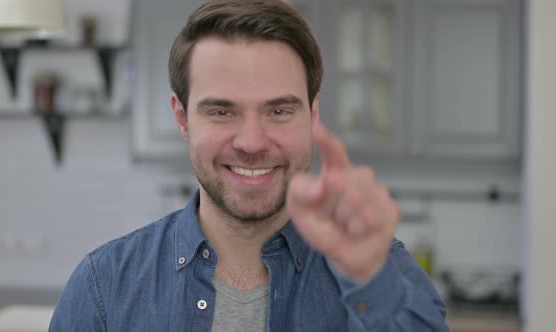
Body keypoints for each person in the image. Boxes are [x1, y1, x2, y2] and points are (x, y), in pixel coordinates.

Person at [49, 0, 449, 330]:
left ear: (312, 114)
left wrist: (371, 282)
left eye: (278, 110)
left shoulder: (381, 268)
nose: (253, 142)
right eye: (222, 111)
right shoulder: (104, 286)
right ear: (183, 118)